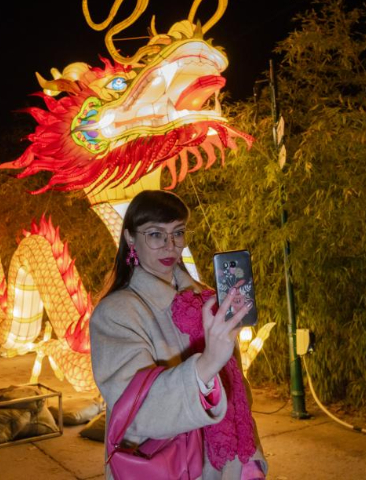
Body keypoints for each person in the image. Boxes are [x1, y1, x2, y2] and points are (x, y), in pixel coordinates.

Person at [90, 190, 268, 480]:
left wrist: (252, 458)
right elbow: (136, 410)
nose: (170, 246)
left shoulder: (205, 298)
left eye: (178, 233)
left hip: (230, 465)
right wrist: (207, 363)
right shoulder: (116, 314)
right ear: (130, 238)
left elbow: (236, 390)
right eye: (156, 235)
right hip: (166, 466)